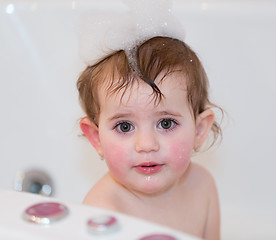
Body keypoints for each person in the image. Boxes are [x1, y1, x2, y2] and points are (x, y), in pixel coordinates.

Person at [77, 36, 222, 239]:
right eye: (125, 126)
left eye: (166, 123)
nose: (146, 145)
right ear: (96, 138)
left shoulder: (202, 185)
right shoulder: (102, 214)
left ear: (199, 131)